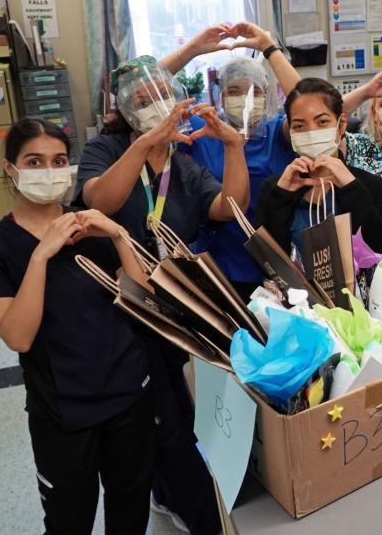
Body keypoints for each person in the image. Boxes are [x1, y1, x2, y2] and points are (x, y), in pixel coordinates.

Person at [75, 56, 247, 535]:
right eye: (142, 102)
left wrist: (233, 146)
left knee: (183, 412)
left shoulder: (183, 165)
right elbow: (100, 201)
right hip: (119, 306)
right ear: (126, 112)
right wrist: (146, 144)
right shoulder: (106, 149)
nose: (155, 107)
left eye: (161, 96)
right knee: (158, 420)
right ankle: (183, 504)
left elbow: (229, 207)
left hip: (173, 306)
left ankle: (177, 496)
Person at [0, 118, 154, 535]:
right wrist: (41, 255)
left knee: (131, 505)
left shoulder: (89, 226)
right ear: (10, 168)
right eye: (34, 161)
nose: (48, 171)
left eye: (58, 160)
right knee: (69, 520)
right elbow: (18, 335)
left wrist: (118, 234)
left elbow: (144, 302)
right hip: (64, 414)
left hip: (128, 394)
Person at [175, 22, 299, 299]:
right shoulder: (202, 129)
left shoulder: (278, 133)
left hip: (278, 265)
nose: (245, 100)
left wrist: (269, 48)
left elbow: (308, 100)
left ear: (267, 97)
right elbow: (144, 93)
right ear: (219, 94)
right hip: (219, 264)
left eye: (255, 91)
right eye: (234, 91)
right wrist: (192, 50)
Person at [254, 77, 382, 263]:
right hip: (297, 292)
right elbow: (265, 261)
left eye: (322, 122)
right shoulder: (274, 188)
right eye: (299, 126)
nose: (311, 132)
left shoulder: (371, 186)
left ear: (341, 125)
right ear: (290, 132)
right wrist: (280, 197)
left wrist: (352, 189)